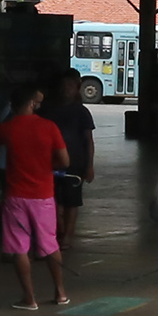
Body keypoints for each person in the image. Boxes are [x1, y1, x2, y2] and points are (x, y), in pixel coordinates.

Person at [0, 82, 71, 310]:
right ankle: (60, 293)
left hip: (16, 196)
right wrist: (48, 165)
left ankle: (29, 298)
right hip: (44, 196)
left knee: (19, 247)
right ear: (31, 103)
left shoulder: (7, 129)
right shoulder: (49, 127)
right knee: (50, 245)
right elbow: (65, 161)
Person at [44, 69, 98, 252]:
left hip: (75, 164)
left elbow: (88, 141)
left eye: (70, 86)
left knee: (72, 202)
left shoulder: (82, 112)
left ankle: (68, 235)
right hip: (50, 164)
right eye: (64, 86)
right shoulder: (47, 110)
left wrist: (89, 166)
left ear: (77, 89)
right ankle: (57, 230)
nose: (66, 89)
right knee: (52, 200)